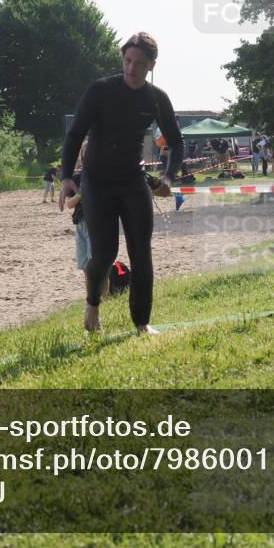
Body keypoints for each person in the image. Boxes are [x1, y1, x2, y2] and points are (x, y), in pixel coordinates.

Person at [58, 32, 183, 335]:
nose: (131, 69)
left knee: (141, 251)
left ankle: (142, 323)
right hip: (97, 182)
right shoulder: (101, 90)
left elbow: (177, 143)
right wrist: (65, 178)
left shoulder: (156, 98)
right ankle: (92, 304)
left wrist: (168, 176)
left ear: (151, 65)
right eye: (127, 61)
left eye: (139, 64)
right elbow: (75, 135)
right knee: (105, 253)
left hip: (132, 180)